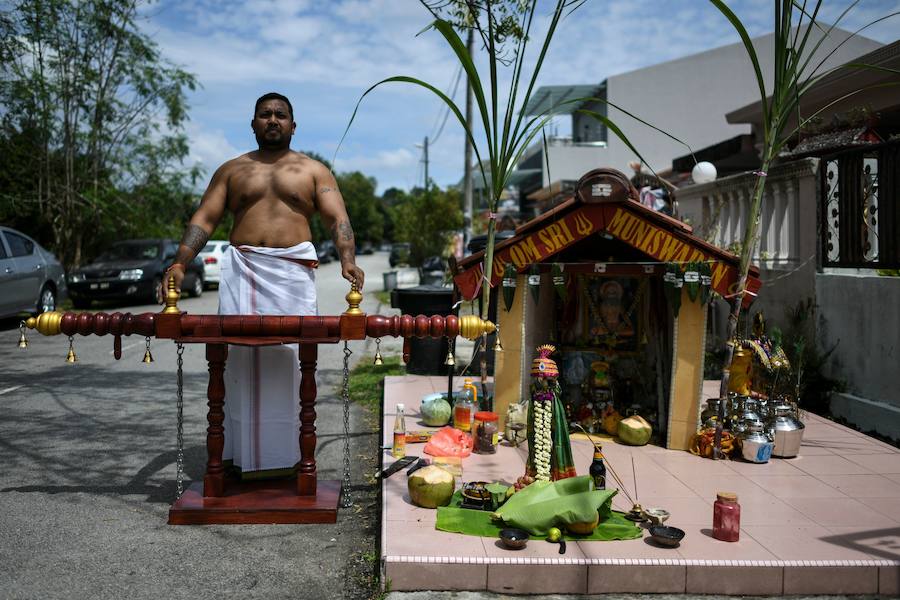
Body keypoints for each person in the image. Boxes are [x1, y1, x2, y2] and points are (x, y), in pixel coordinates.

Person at [165, 92, 365, 477]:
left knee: (292, 360)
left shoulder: (313, 170)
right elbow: (204, 219)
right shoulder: (232, 170)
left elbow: (337, 218)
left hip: (291, 274)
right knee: (239, 359)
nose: (273, 120)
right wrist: (180, 261)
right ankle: (239, 456)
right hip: (243, 271)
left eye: (280, 115)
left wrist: (348, 259)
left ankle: (288, 458)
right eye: (265, 114)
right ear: (253, 123)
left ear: (293, 124)